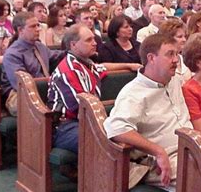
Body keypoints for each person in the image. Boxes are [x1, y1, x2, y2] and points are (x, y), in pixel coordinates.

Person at [103, 34, 193, 192]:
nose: (176, 60)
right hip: (163, 158)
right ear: (151, 58)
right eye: (170, 54)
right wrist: (158, 151)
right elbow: (116, 128)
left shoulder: (174, 80)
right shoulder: (133, 93)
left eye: (177, 54)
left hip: (191, 147)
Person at [47, 24, 140, 154]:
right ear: (73, 45)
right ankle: (122, 170)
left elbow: (102, 67)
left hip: (85, 119)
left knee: (125, 128)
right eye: (88, 40)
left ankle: (128, 165)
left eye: (94, 39)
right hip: (65, 127)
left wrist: (129, 65)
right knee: (104, 135)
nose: (95, 43)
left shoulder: (86, 63)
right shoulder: (68, 70)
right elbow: (82, 109)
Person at [2, 12, 65, 115]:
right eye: (32, 26)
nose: (38, 29)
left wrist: (73, 52)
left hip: (43, 89)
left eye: (38, 25)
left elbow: (56, 56)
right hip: (20, 95)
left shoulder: (39, 46)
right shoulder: (13, 54)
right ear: (20, 30)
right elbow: (22, 84)